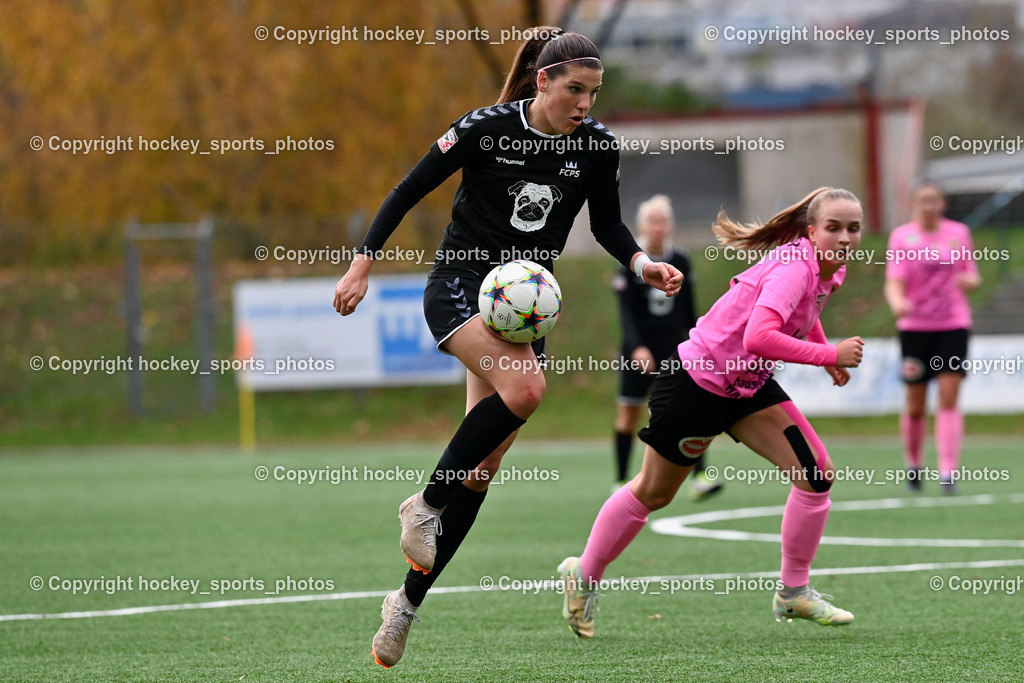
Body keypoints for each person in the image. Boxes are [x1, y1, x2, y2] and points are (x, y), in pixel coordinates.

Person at [333, 27, 683, 668]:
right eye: (574, 89)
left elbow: (606, 223)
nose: (584, 104)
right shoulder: (485, 128)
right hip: (462, 286)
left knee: (483, 469)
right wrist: (362, 264)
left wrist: (641, 262)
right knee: (527, 392)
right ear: (543, 81)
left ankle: (404, 606)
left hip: (523, 312)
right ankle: (425, 502)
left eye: (593, 93)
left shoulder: (597, 148)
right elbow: (408, 189)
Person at [558, 187, 866, 639]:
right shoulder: (794, 269)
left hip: (748, 386)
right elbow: (760, 337)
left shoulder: (826, 268)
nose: (844, 237)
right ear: (810, 231)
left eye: (853, 228)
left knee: (816, 473)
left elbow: (803, 312)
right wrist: (828, 355)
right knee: (652, 493)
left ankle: (793, 591)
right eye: (833, 227)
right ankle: (583, 574)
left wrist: (823, 349)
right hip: (697, 384)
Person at [612, 194, 721, 500]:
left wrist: (696, 342)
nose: (657, 227)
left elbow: (689, 309)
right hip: (639, 349)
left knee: (691, 408)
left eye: (662, 221)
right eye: (652, 221)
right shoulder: (630, 264)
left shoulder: (681, 260)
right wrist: (636, 349)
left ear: (670, 226)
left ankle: (699, 476)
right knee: (629, 415)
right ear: (641, 226)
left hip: (675, 348)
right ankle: (620, 481)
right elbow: (625, 314)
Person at [884, 182, 980, 493]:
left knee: (949, 397)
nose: (928, 206)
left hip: (952, 325)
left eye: (933, 200)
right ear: (913, 204)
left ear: (942, 204)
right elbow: (894, 280)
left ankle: (948, 471)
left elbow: (972, 274)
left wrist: (970, 281)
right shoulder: (901, 237)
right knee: (916, 404)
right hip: (915, 329)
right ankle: (913, 463)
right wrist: (898, 303)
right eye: (922, 200)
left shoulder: (958, 234)